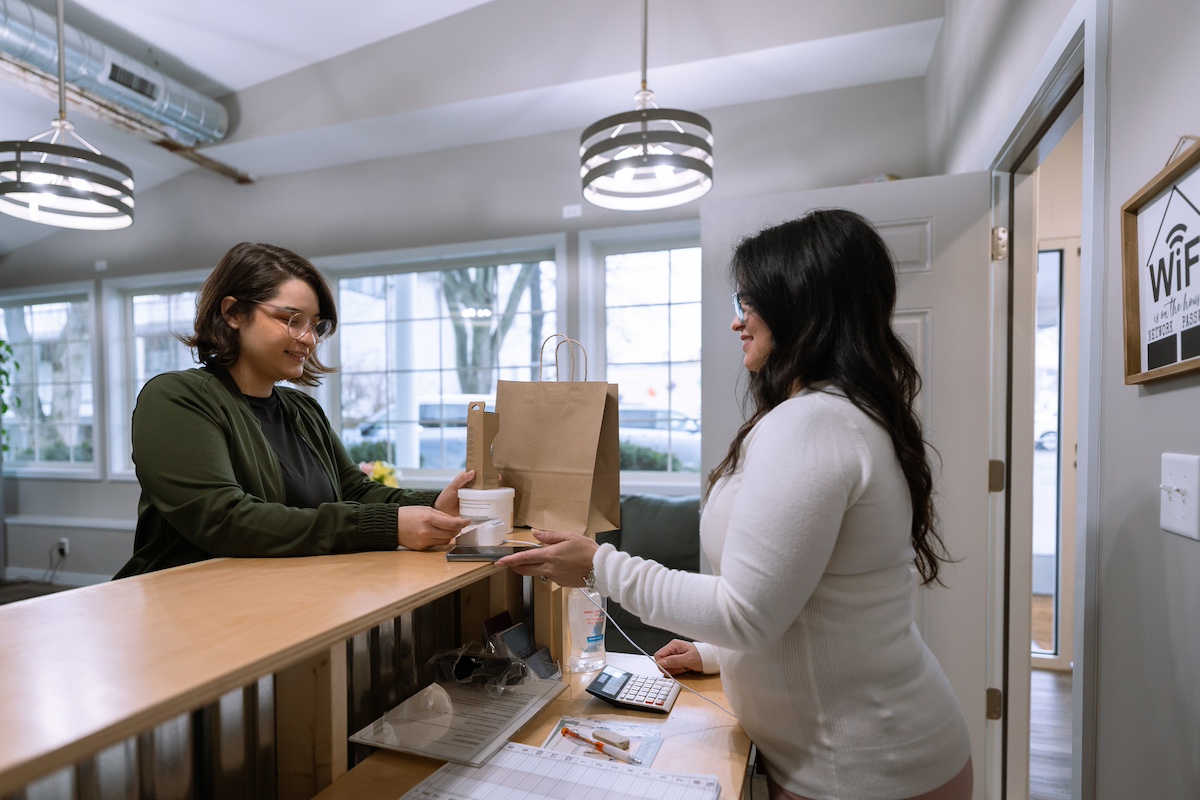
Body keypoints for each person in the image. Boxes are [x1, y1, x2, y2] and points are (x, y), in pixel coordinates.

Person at [499, 210, 973, 800]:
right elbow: (800, 598)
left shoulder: (814, 423)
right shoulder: (835, 415)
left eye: (748, 304)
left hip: (863, 767)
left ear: (800, 304)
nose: (735, 321)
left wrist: (598, 566)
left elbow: (747, 611)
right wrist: (717, 653)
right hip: (847, 756)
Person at [114, 242, 471, 578]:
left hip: (289, 597)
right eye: (292, 319)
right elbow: (224, 520)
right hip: (189, 609)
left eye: (315, 325)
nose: (310, 339)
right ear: (233, 313)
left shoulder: (303, 410)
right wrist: (385, 526)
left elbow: (356, 493)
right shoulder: (176, 397)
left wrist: (437, 502)